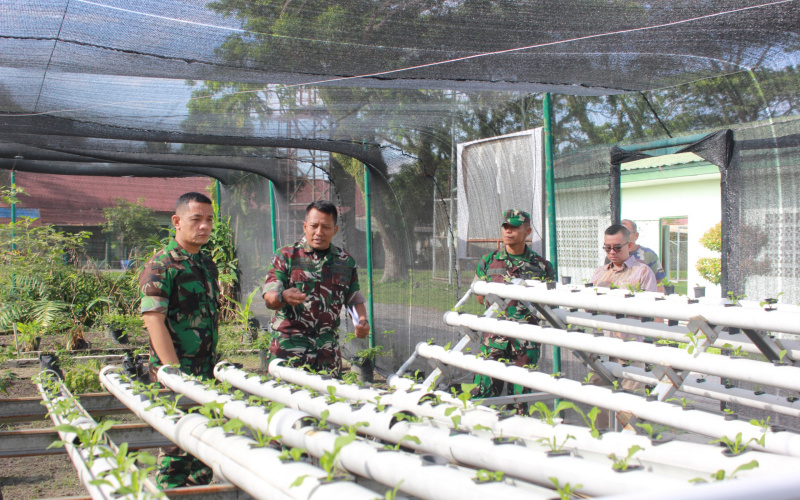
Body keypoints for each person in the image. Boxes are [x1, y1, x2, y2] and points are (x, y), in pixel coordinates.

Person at [140, 192, 219, 489]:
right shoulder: (162, 265)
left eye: (209, 220)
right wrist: (174, 374)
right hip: (175, 374)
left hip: (206, 373)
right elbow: (153, 320)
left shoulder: (206, 264)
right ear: (176, 221)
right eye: (196, 219)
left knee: (204, 454)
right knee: (175, 454)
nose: (204, 226)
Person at [263, 200, 370, 377]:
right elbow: (269, 298)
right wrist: (283, 296)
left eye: (326, 227)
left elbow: (353, 299)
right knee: (286, 402)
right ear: (305, 226)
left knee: (328, 402)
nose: (319, 232)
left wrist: (362, 321)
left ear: (335, 230)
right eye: (314, 226)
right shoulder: (286, 257)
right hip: (289, 350)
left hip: (327, 354)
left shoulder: (345, 262)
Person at [471, 209, 555, 410]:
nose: (508, 231)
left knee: (519, 401)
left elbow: (550, 302)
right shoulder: (488, 261)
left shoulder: (542, 266)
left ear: (527, 232)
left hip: (525, 343)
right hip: (494, 339)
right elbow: (480, 296)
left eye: (515, 227)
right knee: (482, 397)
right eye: (505, 227)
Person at [592, 224, 658, 293]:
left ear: (629, 246)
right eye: (608, 248)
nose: (612, 252)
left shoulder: (642, 272)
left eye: (617, 248)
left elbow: (648, 300)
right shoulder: (599, 272)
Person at [604, 219, 666, 292]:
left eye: (627, 233)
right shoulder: (611, 256)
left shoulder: (649, 255)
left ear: (636, 235)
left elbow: (659, 282)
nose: (613, 251)